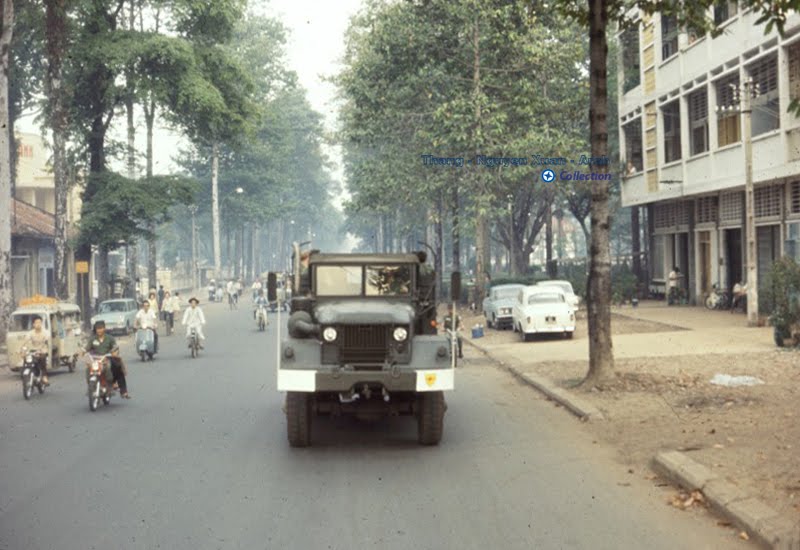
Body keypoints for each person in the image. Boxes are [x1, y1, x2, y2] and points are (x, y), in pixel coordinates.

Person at [85, 320, 130, 398]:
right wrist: (82, 352)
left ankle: (111, 384)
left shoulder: (110, 338)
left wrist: (114, 352)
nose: (99, 330)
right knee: (88, 369)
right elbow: (87, 348)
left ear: (104, 328)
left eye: (101, 328)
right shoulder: (92, 339)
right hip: (95, 360)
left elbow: (115, 347)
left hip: (107, 358)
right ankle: (91, 387)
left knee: (110, 367)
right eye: (97, 328)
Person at [23, 316, 50, 385]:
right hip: (33, 351)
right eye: (36, 323)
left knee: (42, 358)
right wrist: (22, 349)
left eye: (40, 322)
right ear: (33, 324)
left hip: (42, 351)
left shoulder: (45, 333)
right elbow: (26, 341)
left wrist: (41, 350)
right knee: (26, 359)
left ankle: (44, 376)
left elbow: (46, 341)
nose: (38, 324)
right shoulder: (30, 333)